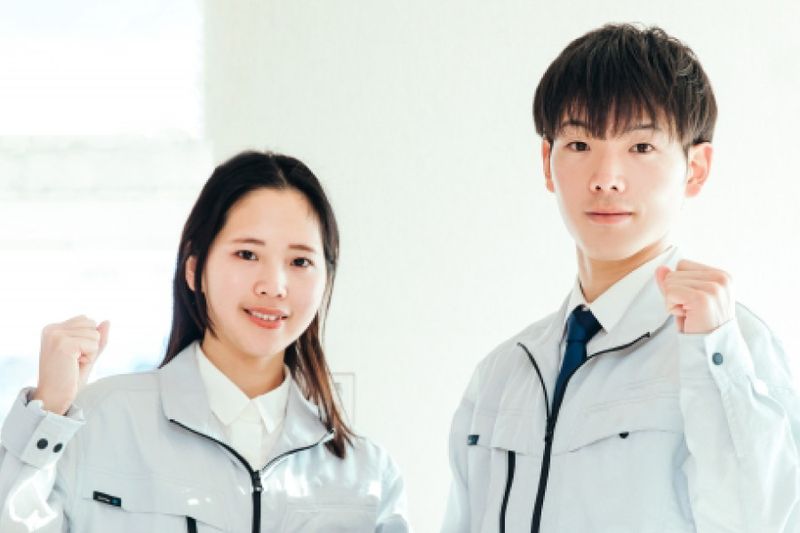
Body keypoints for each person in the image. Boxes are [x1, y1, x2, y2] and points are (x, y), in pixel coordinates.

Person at [441, 23, 800, 533]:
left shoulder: (736, 348)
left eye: (641, 147)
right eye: (579, 143)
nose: (605, 177)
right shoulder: (501, 376)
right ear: (547, 162)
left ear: (695, 168)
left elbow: (764, 522)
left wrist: (713, 354)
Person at [0, 151, 410, 532]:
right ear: (194, 269)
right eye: (247, 254)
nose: (274, 285)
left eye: (300, 261)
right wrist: (45, 412)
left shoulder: (368, 477)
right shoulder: (99, 420)